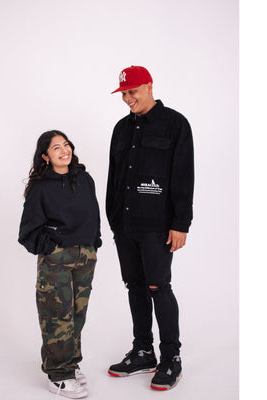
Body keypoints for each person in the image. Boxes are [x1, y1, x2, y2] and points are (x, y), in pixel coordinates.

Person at [106, 66, 194, 391]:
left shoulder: (175, 124)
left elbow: (183, 176)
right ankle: (143, 351)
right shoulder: (121, 128)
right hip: (125, 225)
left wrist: (181, 223)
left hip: (157, 226)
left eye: (132, 91)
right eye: (123, 93)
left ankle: (171, 358)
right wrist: (113, 218)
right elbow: (114, 177)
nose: (128, 98)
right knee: (135, 286)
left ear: (149, 86)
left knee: (159, 287)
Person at [18, 130, 101, 399]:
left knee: (77, 314)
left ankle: (70, 365)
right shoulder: (41, 188)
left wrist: (94, 242)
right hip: (57, 260)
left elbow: (94, 212)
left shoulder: (84, 179)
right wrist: (53, 248)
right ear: (45, 156)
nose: (64, 150)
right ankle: (58, 375)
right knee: (56, 316)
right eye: (56, 148)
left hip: (85, 257)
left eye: (66, 144)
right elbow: (27, 232)